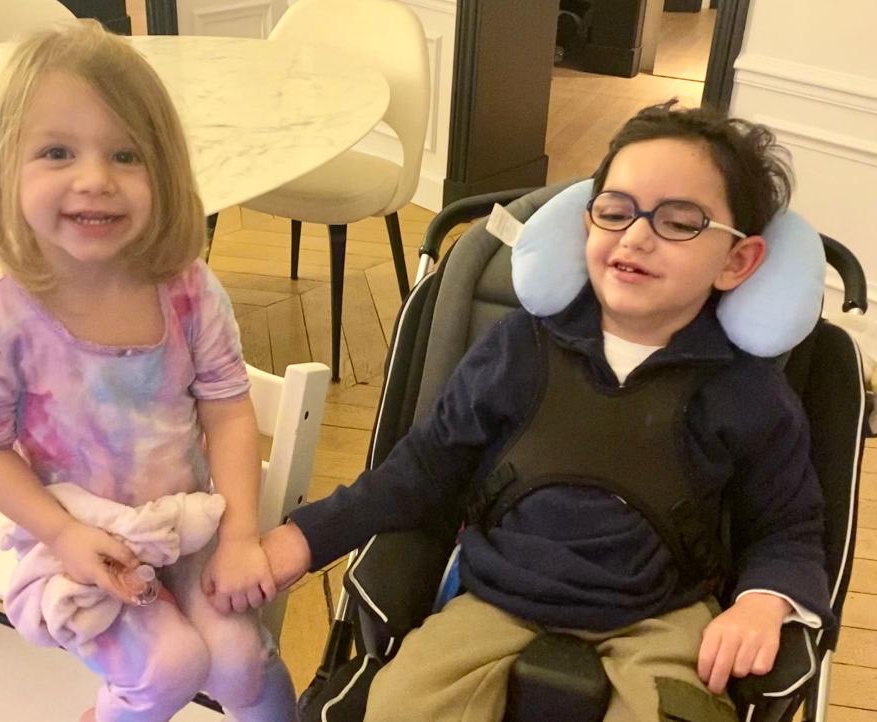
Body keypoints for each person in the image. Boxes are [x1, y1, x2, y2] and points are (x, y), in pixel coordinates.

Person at [261, 102, 834, 721]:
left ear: (736, 261)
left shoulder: (748, 393)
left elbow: (788, 527)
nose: (635, 236)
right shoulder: (519, 349)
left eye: (679, 222)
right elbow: (423, 470)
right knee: (401, 705)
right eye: (616, 212)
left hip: (664, 614)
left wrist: (764, 600)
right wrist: (304, 536)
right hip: (496, 596)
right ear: (588, 224)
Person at [0, 20, 296, 722]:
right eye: (57, 152)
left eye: (127, 154)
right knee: (170, 667)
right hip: (81, 539)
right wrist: (63, 534)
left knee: (240, 660)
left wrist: (238, 537)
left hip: (191, 524)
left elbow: (228, 409)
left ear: (162, 172)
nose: (96, 180)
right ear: (6, 168)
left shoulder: (188, 288)